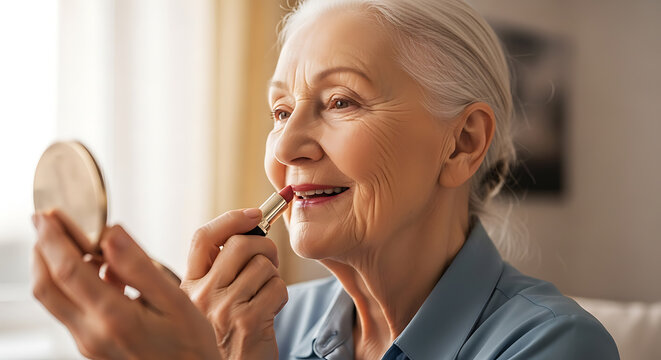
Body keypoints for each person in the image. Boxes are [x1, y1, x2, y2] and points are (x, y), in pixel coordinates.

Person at [31, 0, 620, 359]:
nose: (285, 146)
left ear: (462, 144)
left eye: (341, 101)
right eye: (281, 111)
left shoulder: (556, 346)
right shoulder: (271, 325)